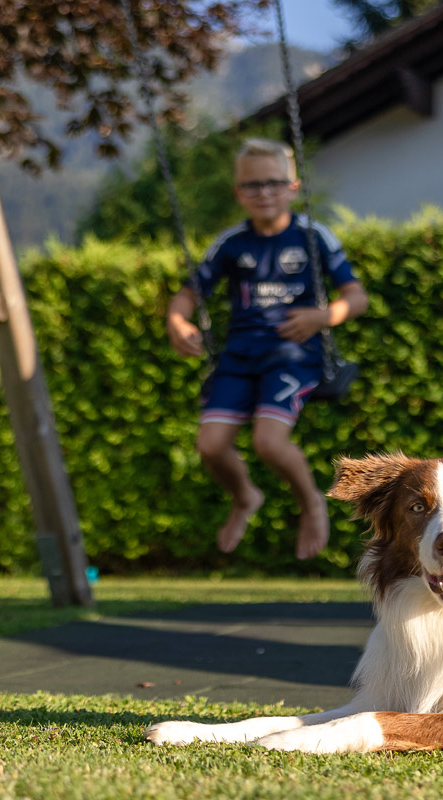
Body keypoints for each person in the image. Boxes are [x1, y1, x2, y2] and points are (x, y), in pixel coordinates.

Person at [165, 138, 369, 560]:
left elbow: (356, 297)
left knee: (268, 443)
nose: (264, 193)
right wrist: (177, 322)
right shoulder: (231, 244)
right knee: (210, 445)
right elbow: (187, 296)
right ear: (239, 193)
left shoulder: (313, 236)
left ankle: (312, 503)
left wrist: (321, 317)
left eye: (273, 183)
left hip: (293, 356)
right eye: (253, 186)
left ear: (293, 187)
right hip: (239, 357)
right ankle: (245, 496)